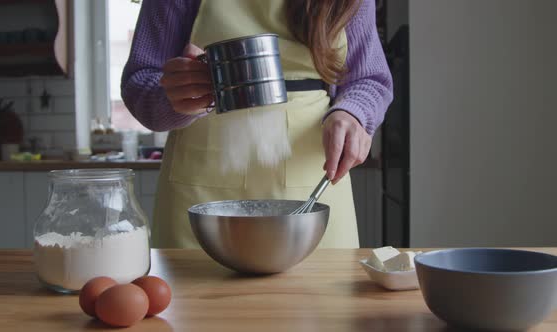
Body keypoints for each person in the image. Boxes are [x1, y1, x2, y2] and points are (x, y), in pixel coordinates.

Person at [121, 0, 393, 248]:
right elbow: (140, 84)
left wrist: (352, 113)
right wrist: (174, 98)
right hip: (200, 195)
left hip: (311, 185)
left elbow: (370, 80)